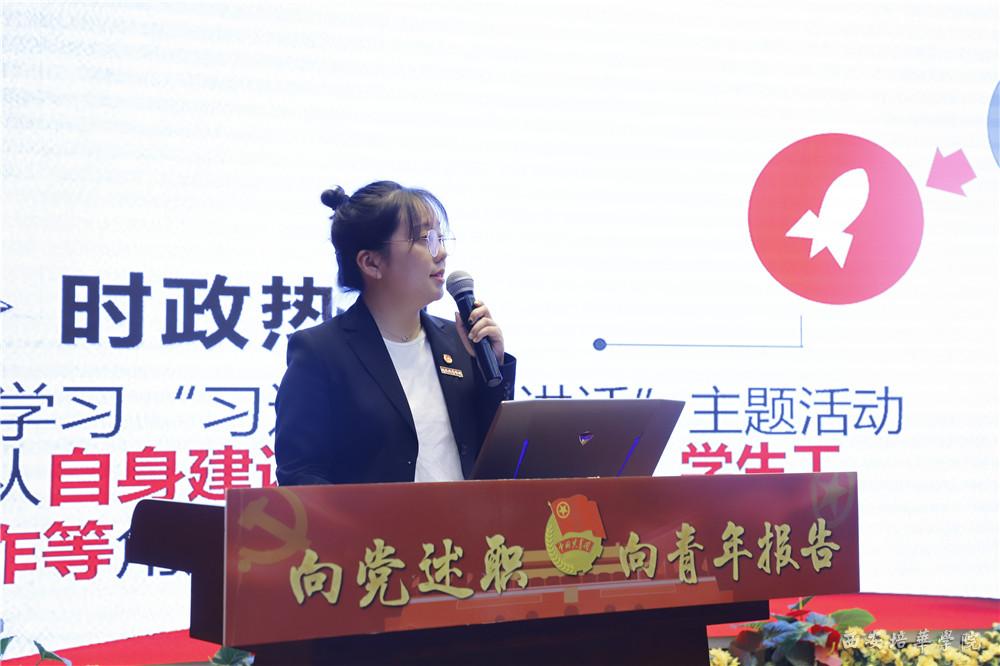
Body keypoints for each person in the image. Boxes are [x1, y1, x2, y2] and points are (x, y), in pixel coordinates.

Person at [274, 180, 515, 485]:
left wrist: (492, 369)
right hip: (370, 519)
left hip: (463, 518)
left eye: (440, 238)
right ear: (371, 262)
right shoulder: (321, 352)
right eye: (425, 239)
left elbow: (498, 459)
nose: (440, 253)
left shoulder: (459, 342)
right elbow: (300, 475)